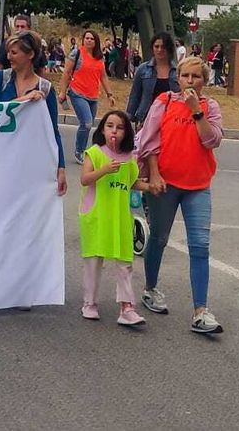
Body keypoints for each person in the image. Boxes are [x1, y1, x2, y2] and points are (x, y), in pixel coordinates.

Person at [136, 56, 223, 334]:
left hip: (198, 186)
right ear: (178, 78)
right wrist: (154, 173)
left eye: (196, 77)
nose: (189, 81)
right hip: (166, 184)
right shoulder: (164, 102)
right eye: (185, 76)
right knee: (159, 239)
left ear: (204, 81)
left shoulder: (210, 107)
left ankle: (201, 311)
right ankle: (150, 289)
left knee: (200, 247)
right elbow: (148, 142)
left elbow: (212, 141)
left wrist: (196, 111)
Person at [78, 110, 148, 326]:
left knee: (125, 263)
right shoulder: (95, 153)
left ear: (126, 132)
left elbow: (132, 182)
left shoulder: (129, 159)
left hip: (120, 218)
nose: (114, 131)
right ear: (102, 129)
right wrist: (105, 170)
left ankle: (126, 307)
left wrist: (150, 186)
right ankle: (89, 303)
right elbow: (85, 179)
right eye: (109, 126)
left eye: (119, 127)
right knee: (93, 261)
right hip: (97, 216)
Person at [0, 30, 65, 196]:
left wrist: (61, 167)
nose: (9, 57)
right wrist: (24, 100)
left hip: (30, 161)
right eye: (8, 53)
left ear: (30, 55)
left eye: (14, 53)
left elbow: (52, 131)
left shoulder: (45, 88)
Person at [58, 29, 116, 160]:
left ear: (96, 41)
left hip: (93, 95)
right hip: (77, 93)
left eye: (92, 39)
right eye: (87, 38)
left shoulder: (99, 57)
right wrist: (62, 92)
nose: (89, 40)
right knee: (87, 123)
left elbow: (103, 77)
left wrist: (110, 94)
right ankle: (79, 151)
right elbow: (66, 73)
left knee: (88, 126)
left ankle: (83, 149)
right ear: (83, 40)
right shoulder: (76, 53)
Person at [126, 32, 181, 124]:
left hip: (171, 119)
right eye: (156, 46)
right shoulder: (143, 69)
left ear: (169, 48)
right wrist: (128, 118)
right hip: (145, 118)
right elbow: (135, 95)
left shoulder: (178, 71)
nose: (160, 50)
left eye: (163, 47)